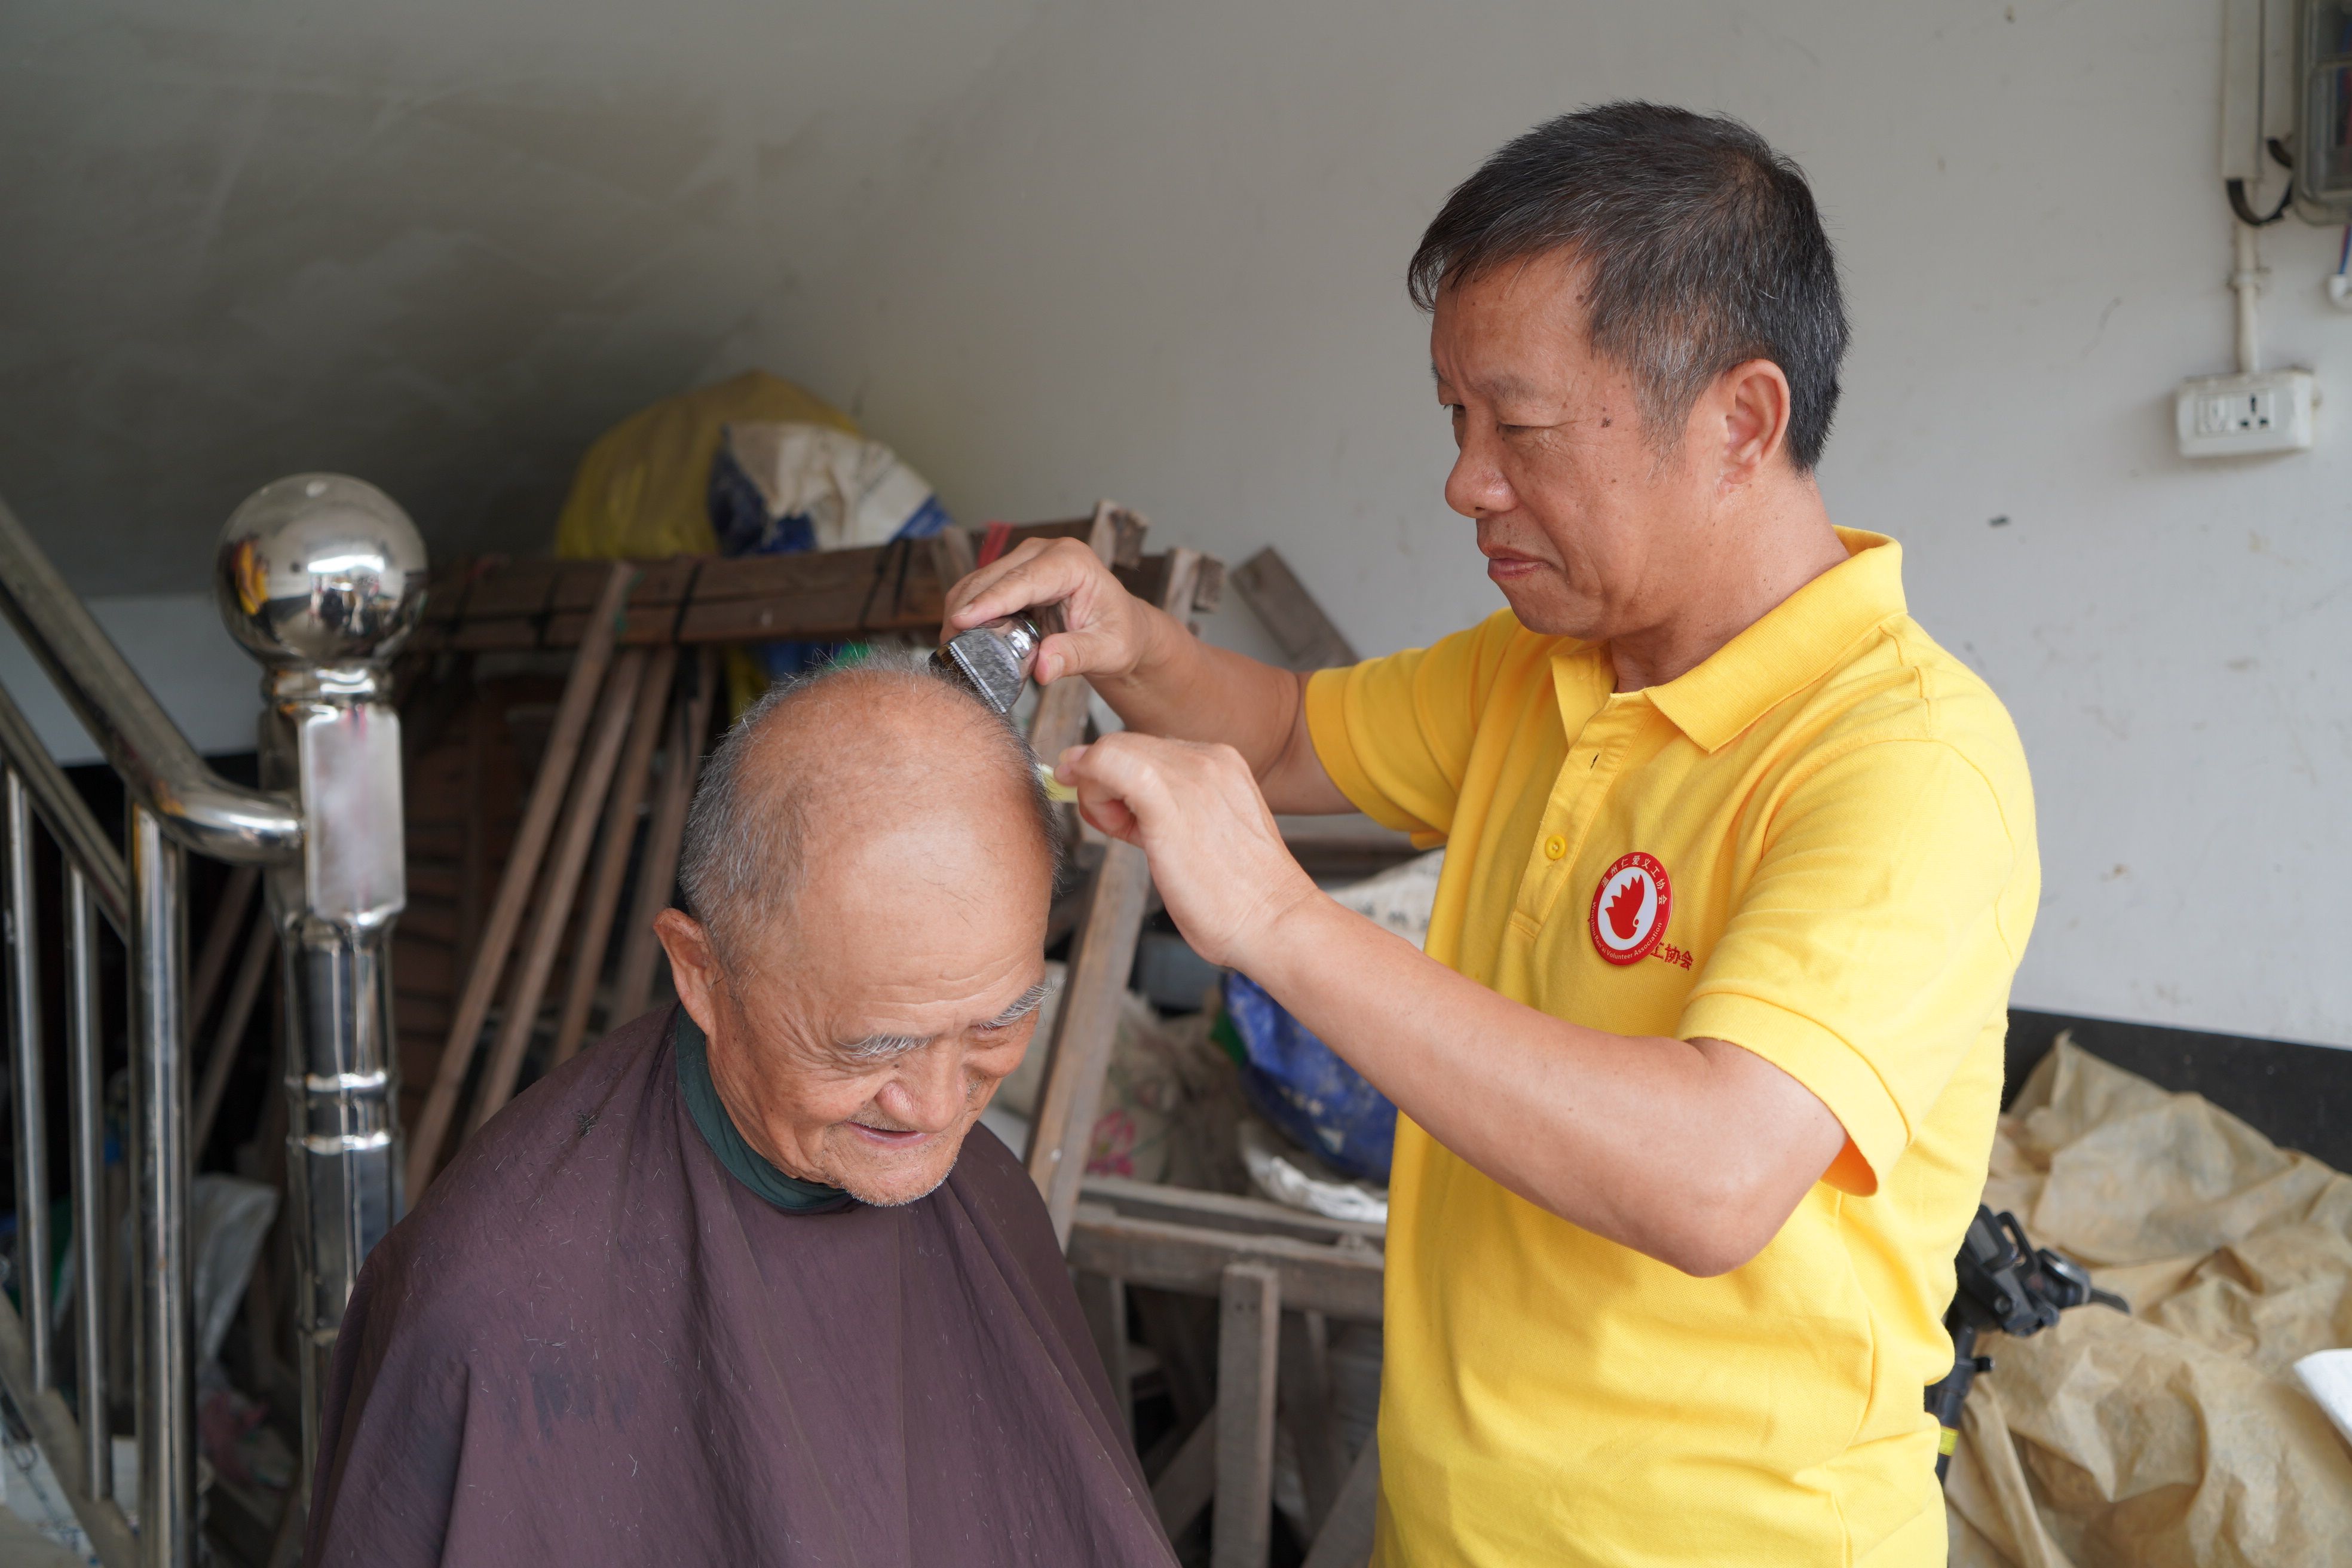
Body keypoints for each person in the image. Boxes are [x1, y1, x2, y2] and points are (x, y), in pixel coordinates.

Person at [948, 103, 2038, 1564]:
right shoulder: (1542, 668)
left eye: (1518, 427)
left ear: (1741, 421)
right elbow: (1283, 733)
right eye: (1455, 421)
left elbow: (1714, 1174)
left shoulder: (1908, 761)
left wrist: (1278, 922)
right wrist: (1130, 639)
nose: (1467, 480)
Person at [305, 656, 1176, 1567]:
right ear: (701, 972)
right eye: (870, 1048)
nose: (938, 1106)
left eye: (997, 1025)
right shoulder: (494, 1308)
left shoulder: (984, 1194)